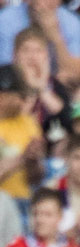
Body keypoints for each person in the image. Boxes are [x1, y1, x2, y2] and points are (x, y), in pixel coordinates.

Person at [0, 0, 80, 88]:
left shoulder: (72, 22)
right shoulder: (6, 19)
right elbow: (6, 72)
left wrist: (54, 33)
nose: (45, 4)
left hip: (55, 85)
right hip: (16, 85)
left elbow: (76, 75)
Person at [0, 65, 44, 201]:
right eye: (22, 96)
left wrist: (33, 161)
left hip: (24, 201)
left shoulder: (29, 123)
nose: (25, 102)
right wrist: (23, 158)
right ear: (2, 96)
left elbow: (36, 179)